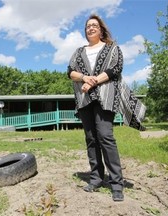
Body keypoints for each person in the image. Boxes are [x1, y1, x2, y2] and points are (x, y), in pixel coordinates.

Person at [67, 14, 146, 202]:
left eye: (94, 25)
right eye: (88, 26)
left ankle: (116, 183)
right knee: (91, 139)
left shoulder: (112, 48)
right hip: (84, 99)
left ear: (101, 29)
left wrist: (92, 82)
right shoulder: (79, 51)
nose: (91, 28)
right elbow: (70, 72)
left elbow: (115, 69)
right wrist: (84, 78)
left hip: (105, 98)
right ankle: (96, 178)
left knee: (105, 137)